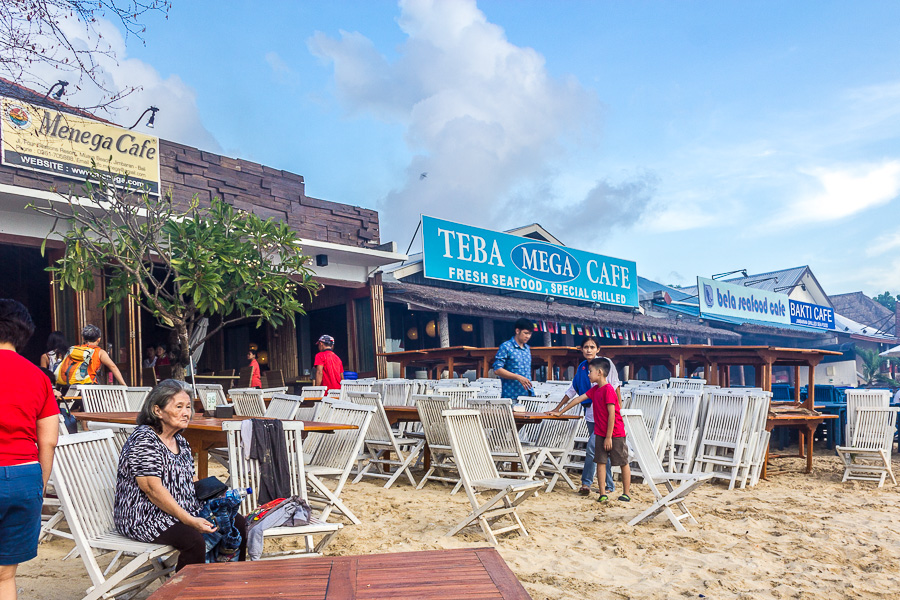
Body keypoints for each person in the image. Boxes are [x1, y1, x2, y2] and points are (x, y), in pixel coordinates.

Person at [114, 380, 247, 571]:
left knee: (237, 522)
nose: (186, 413)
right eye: (179, 407)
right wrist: (189, 519)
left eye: (188, 407)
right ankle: (186, 592)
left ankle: (228, 581)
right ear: (157, 411)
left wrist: (218, 498)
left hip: (181, 510)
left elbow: (189, 480)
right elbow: (151, 488)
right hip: (145, 517)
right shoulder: (144, 439)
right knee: (193, 540)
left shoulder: (181, 442)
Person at [0, 299, 59, 600]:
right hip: (25, 477)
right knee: (5, 576)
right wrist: (40, 483)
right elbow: (48, 440)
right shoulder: (39, 377)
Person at [551, 357, 631, 503]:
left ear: (599, 372)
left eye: (591, 372)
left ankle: (626, 493)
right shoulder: (595, 389)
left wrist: (608, 437)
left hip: (615, 432)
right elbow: (577, 399)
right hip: (600, 431)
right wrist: (560, 411)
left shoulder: (608, 390)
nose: (588, 374)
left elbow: (612, 415)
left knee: (622, 461)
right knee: (600, 461)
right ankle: (602, 493)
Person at [56, 324, 127, 387]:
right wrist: (123, 384)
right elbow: (113, 366)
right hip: (88, 388)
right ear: (99, 339)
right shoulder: (99, 352)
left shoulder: (73, 350)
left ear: (83, 338)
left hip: (67, 386)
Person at [492, 318, 534, 400]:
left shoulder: (527, 349)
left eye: (530, 334)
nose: (528, 336)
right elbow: (497, 369)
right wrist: (518, 377)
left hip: (528, 395)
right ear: (517, 331)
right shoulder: (506, 347)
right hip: (511, 396)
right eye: (525, 333)